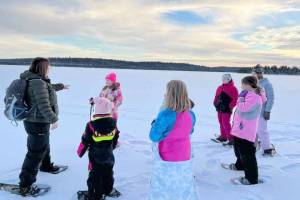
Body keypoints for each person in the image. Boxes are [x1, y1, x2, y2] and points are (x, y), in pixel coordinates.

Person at [18, 57, 69, 194]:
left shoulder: (33, 80)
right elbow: (44, 105)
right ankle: (25, 185)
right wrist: (54, 119)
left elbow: (47, 89)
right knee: (34, 153)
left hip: (34, 121)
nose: (50, 69)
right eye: (48, 67)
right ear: (43, 68)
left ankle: (45, 165)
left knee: (43, 145)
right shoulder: (38, 82)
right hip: (38, 122)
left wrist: (61, 86)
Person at [149, 80, 198, 200]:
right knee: (182, 185)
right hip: (185, 155)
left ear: (170, 94)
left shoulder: (166, 114)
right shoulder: (191, 114)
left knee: (165, 187)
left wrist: (155, 123)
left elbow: (154, 136)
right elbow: (190, 131)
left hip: (167, 157)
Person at [77, 97, 121, 200]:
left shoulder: (91, 125)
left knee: (95, 175)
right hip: (109, 155)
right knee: (108, 172)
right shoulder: (113, 124)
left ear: (97, 111)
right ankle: (108, 189)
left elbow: (85, 140)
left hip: (95, 156)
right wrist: (112, 147)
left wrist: (80, 152)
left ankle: (95, 195)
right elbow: (116, 137)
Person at [229, 76, 267, 185]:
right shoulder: (248, 94)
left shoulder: (254, 96)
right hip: (240, 129)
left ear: (249, 84)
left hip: (246, 131)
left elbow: (244, 108)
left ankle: (251, 178)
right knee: (239, 150)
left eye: (243, 84)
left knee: (247, 155)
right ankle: (239, 165)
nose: (241, 86)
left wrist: (240, 99)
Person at [252, 66, 276, 155]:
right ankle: (253, 146)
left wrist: (267, 111)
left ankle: (267, 148)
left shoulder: (267, 84)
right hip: (252, 113)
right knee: (253, 130)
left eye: (257, 73)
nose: (255, 74)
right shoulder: (253, 83)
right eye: (254, 72)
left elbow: (271, 99)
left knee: (262, 130)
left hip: (262, 113)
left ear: (261, 73)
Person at [99, 72, 123, 148]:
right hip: (103, 112)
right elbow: (100, 97)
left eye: (108, 80)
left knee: (112, 127)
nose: (106, 82)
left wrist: (113, 103)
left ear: (113, 81)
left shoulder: (117, 90)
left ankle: (115, 141)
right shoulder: (104, 88)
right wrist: (95, 101)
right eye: (106, 80)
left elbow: (120, 99)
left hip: (112, 112)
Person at [213, 74, 238, 145]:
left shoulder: (233, 88)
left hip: (227, 109)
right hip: (219, 108)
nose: (224, 80)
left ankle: (231, 138)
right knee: (221, 122)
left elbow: (235, 99)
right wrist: (215, 103)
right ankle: (223, 136)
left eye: (226, 79)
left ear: (229, 79)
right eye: (223, 79)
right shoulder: (219, 87)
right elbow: (216, 96)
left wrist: (230, 106)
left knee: (225, 123)